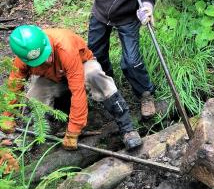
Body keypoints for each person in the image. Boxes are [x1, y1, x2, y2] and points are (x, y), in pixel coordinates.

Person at [1, 25, 142, 157]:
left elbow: (78, 90)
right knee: (35, 93)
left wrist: (73, 130)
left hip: (81, 67)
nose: (47, 60)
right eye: (40, 60)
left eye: (47, 54)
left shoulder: (64, 47)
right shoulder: (22, 59)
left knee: (95, 76)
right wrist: (7, 116)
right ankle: (39, 130)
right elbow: (14, 87)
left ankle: (127, 127)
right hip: (54, 77)